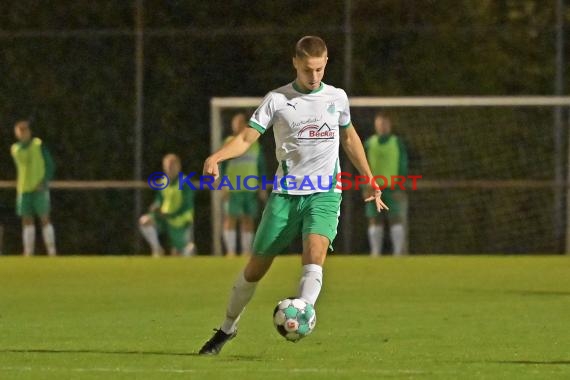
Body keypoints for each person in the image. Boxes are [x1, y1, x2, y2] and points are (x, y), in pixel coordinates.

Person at [198, 36, 388, 355]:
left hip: (325, 194)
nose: (314, 76)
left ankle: (301, 312)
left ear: (326, 63)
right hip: (285, 197)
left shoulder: (337, 97)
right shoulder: (277, 100)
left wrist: (368, 178)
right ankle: (227, 329)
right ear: (295, 63)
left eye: (319, 69)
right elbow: (247, 138)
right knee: (254, 270)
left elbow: (350, 137)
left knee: (315, 256)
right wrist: (217, 157)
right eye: (307, 69)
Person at [221, 112, 266, 257]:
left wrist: (262, 186)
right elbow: (222, 166)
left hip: (250, 188)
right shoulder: (228, 142)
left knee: (248, 219)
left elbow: (261, 167)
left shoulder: (255, 143)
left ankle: (247, 251)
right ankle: (231, 251)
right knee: (231, 218)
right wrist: (223, 185)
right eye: (236, 122)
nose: (238, 125)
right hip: (233, 188)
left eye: (241, 122)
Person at [364, 111, 408, 256]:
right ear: (376, 125)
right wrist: (365, 185)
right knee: (374, 219)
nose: (382, 126)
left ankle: (397, 253)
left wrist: (400, 185)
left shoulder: (397, 142)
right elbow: (362, 165)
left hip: (392, 187)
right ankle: (375, 253)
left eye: (385, 123)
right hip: (373, 188)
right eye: (380, 123)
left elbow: (403, 164)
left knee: (395, 218)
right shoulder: (369, 143)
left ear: (390, 125)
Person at [11, 119, 57, 256]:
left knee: (45, 218)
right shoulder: (16, 149)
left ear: (29, 132)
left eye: (25, 131)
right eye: (20, 131)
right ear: (17, 134)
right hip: (24, 189)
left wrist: (44, 181)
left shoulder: (38, 145)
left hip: (39, 189)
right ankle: (28, 252)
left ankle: (52, 251)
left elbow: (50, 164)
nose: (23, 134)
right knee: (27, 220)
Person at [139, 153, 196, 257]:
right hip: (164, 218)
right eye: (167, 166)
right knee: (145, 221)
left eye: (172, 166)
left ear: (179, 167)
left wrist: (171, 215)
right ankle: (157, 249)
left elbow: (187, 205)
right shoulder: (163, 181)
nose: (170, 168)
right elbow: (159, 200)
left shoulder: (185, 182)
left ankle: (185, 248)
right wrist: (155, 208)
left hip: (180, 221)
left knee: (180, 253)